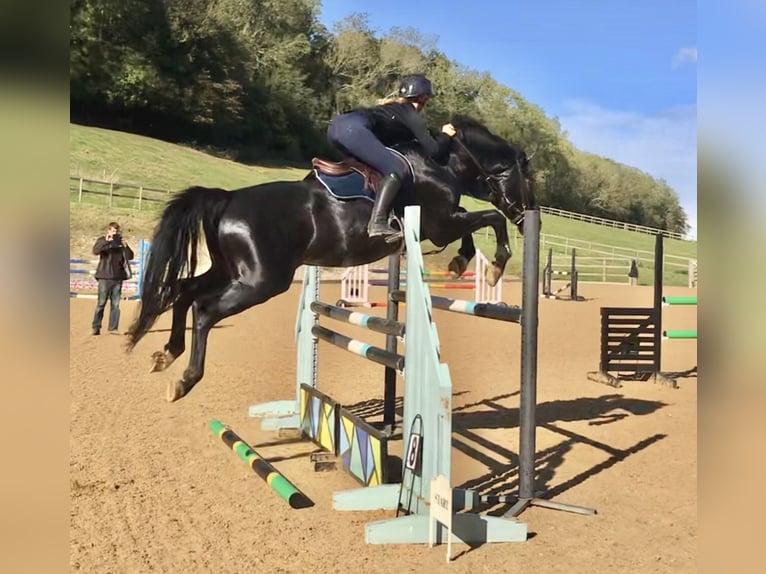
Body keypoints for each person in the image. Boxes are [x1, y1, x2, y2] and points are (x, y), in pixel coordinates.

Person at [327, 74, 458, 242]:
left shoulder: (395, 108)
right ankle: (378, 222)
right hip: (353, 129)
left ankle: (358, 209)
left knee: (372, 168)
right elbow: (434, 151)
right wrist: (445, 135)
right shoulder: (411, 115)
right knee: (395, 169)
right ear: (424, 98)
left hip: (335, 127)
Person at [91, 222, 134, 335]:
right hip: (104, 276)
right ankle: (96, 327)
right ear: (109, 230)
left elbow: (130, 256)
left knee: (115, 305)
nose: (114, 233)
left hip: (117, 278)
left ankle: (113, 328)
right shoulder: (102, 240)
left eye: (116, 231)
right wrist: (107, 241)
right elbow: (95, 251)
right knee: (101, 303)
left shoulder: (120, 242)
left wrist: (126, 246)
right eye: (113, 231)